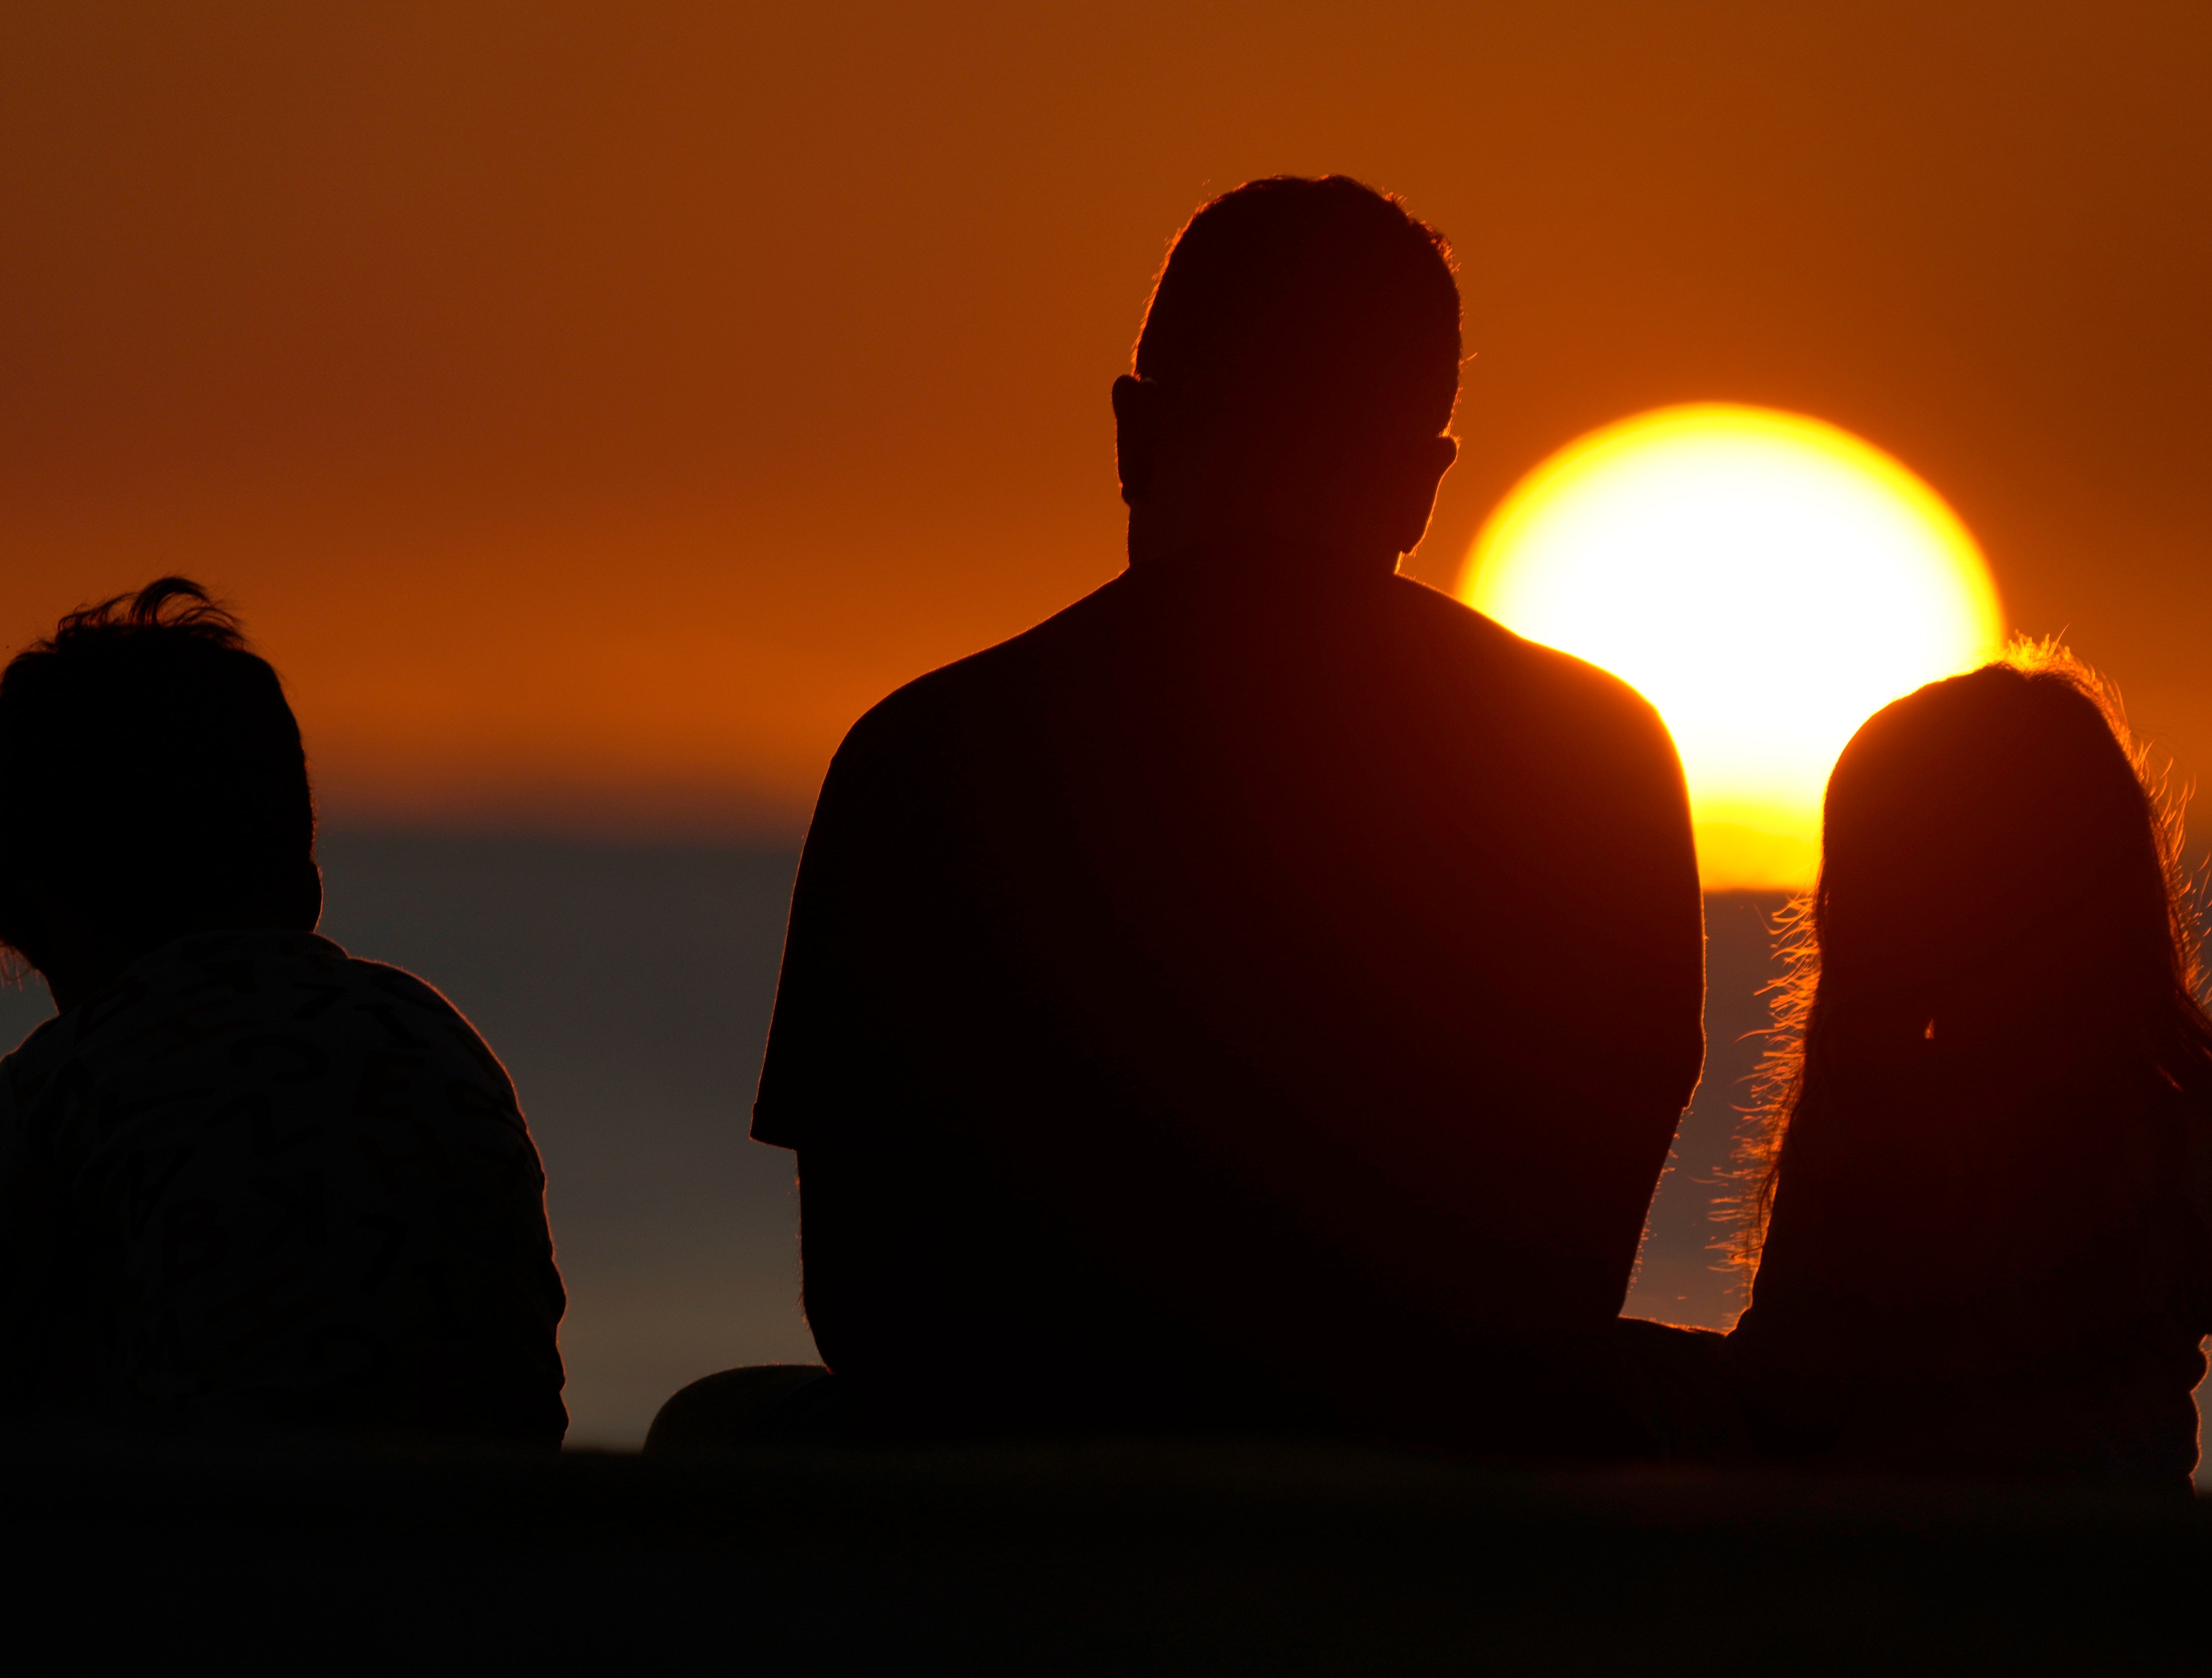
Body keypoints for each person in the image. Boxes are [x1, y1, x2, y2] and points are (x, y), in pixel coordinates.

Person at [669, 176, 1710, 1454]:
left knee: (714, 1430)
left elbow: (865, 1304)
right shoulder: (1596, 757)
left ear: (1134, 434)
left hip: (1025, 1484)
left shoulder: (925, 754)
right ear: (1420, 485)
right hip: (1439, 1471)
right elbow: (1570, 1272)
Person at [0, 578, 566, 1445]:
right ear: (306, 885)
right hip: (503, 1560)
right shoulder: (434, 1039)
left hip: (229, 1561)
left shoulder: (67, 1082)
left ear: (32, 912)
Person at [1726, 653, 2212, 1499]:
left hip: (1898, 1611)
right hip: (2131, 1612)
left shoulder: (1867, 1132)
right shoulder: (2186, 1142)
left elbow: (1784, 1400)